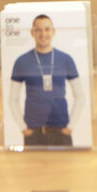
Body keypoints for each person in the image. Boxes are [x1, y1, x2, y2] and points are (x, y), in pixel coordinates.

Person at [8, 15, 84, 147]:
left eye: (47, 29)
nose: (43, 34)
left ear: (53, 32)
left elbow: (80, 95)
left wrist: (70, 127)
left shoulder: (66, 59)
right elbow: (12, 99)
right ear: (32, 33)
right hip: (33, 133)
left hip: (61, 131)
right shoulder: (21, 61)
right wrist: (23, 128)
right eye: (38, 29)